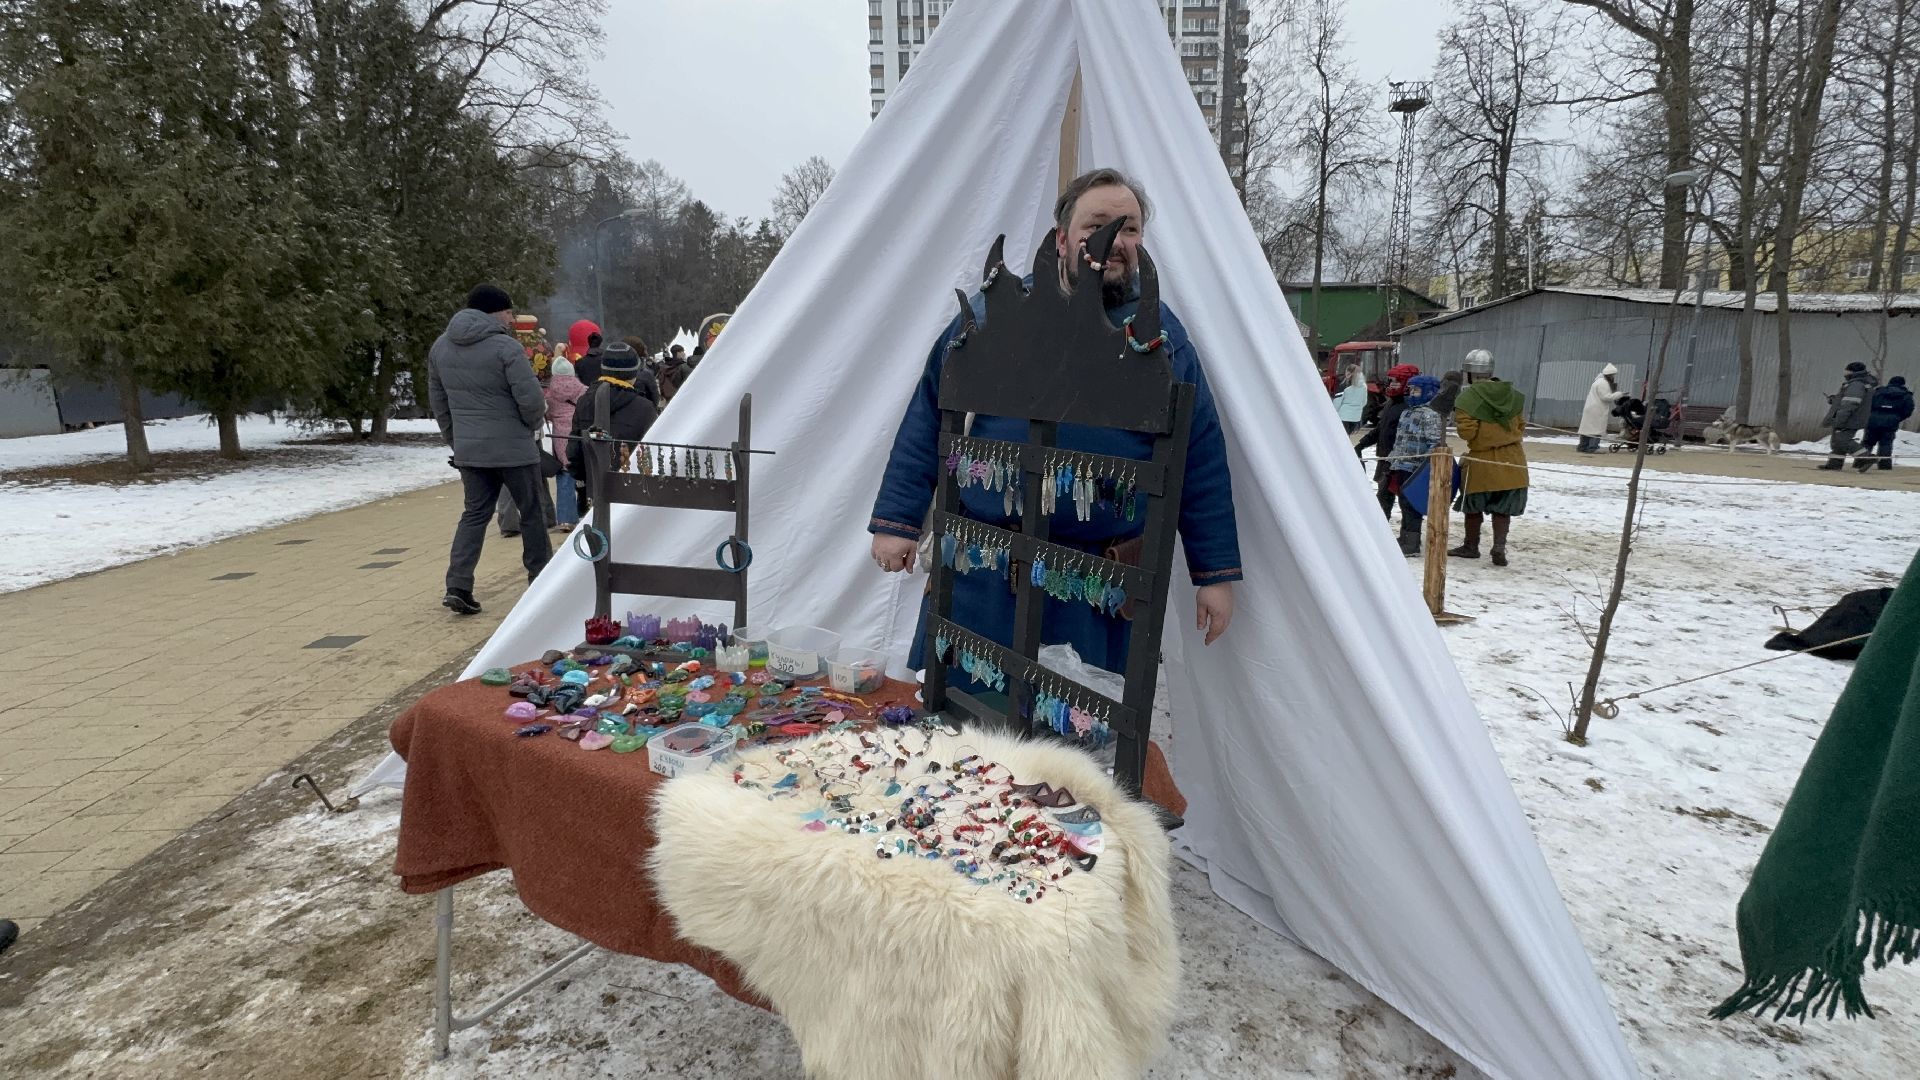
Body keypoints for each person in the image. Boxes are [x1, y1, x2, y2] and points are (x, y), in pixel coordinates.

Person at [869, 168, 1241, 686]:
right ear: (1062, 237)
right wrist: (896, 521)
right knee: (963, 744)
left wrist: (1214, 574)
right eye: (1097, 224)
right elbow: (930, 412)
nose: (1115, 240)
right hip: (983, 579)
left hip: (1095, 592)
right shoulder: (995, 314)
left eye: (1129, 228)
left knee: (1072, 753)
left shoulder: (1162, 338)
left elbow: (1199, 459)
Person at [428, 284, 553, 615]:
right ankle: (540, 580)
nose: (512, 319)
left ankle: (458, 585)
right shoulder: (505, 348)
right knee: (532, 513)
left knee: (474, 515)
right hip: (514, 448)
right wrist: (531, 426)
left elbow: (438, 401)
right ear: (495, 312)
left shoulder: (440, 348)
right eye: (510, 312)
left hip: (471, 451)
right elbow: (531, 400)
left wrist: (456, 438)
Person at [1449, 348, 1528, 567]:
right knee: (1503, 507)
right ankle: (1499, 546)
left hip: (1482, 460)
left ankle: (1471, 546)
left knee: (1473, 506)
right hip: (1513, 460)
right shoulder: (1513, 394)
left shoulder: (1468, 397)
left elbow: (1467, 433)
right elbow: (1521, 426)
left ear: (1470, 373)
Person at [568, 341, 658, 514]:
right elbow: (653, 453)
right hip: (634, 492)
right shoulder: (644, 408)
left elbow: (574, 449)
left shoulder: (584, 401)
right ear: (633, 373)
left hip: (594, 489)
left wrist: (583, 478)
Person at [1354, 362, 1422, 516]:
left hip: (1400, 461)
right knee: (1384, 497)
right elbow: (1380, 429)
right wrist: (1361, 444)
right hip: (1385, 458)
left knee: (1401, 499)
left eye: (1396, 381)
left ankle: (1406, 536)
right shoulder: (1391, 403)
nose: (1392, 385)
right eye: (1391, 381)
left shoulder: (1408, 407)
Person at [1389, 375, 1445, 556]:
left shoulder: (1430, 415)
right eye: (1411, 390)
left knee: (1412, 504)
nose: (1412, 393)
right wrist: (1392, 460)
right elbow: (1400, 440)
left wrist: (1425, 465)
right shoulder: (1407, 412)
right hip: (1401, 465)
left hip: (1416, 467)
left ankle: (1412, 542)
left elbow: (1434, 442)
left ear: (1429, 392)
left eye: (1416, 390)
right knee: (1403, 502)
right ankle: (1404, 536)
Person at [544, 358, 588, 531]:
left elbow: (546, 414)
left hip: (559, 436)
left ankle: (565, 518)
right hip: (578, 433)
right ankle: (585, 510)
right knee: (583, 474)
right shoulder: (582, 389)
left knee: (564, 475)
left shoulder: (548, 393)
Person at [1819, 361, 1880, 471]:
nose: (1845, 373)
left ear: (1853, 371)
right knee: (1837, 441)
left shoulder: (1856, 384)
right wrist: (1835, 400)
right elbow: (1848, 400)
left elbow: (1850, 404)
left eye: (1846, 370)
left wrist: (1840, 419)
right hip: (1852, 417)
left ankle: (1866, 457)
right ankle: (1834, 464)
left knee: (1843, 440)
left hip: (1850, 418)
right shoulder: (1859, 383)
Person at [1861, 375, 1912, 472]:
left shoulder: (1878, 391)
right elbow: (1908, 410)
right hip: (1891, 421)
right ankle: (1884, 465)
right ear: (1903, 384)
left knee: (1867, 442)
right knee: (1886, 443)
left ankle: (1860, 462)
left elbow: (1869, 404)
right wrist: (1897, 418)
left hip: (1873, 419)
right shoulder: (1906, 395)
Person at [1577, 363, 1625, 453]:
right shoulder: (1603, 383)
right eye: (1613, 375)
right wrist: (1619, 394)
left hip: (1591, 408)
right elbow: (1606, 397)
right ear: (1610, 375)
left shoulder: (1597, 382)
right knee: (1596, 429)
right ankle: (1593, 447)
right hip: (1597, 409)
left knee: (1587, 429)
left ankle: (1583, 446)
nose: (1613, 377)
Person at [1333, 362, 1368, 433]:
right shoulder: (1364, 386)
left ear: (1348, 372)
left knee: (1342, 436)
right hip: (1356, 417)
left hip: (1344, 415)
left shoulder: (1344, 385)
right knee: (1348, 436)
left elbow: (1337, 402)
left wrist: (1334, 412)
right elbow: (1364, 402)